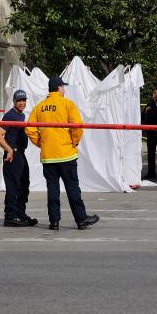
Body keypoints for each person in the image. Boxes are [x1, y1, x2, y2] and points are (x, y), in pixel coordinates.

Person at [25, 76, 99, 231]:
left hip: (48, 156)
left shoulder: (40, 107)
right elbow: (77, 126)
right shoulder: (67, 104)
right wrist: (74, 142)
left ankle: (54, 222)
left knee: (52, 190)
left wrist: (41, 143)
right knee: (72, 188)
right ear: (59, 88)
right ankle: (81, 219)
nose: (64, 90)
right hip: (66, 154)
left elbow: (30, 129)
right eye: (63, 87)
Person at [0, 90, 38, 228]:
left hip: (20, 154)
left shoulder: (21, 115)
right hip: (12, 155)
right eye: (19, 100)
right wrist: (8, 149)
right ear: (14, 101)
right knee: (13, 187)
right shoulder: (10, 115)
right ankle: (10, 217)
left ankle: (20, 214)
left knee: (24, 185)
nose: (21, 103)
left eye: (23, 100)